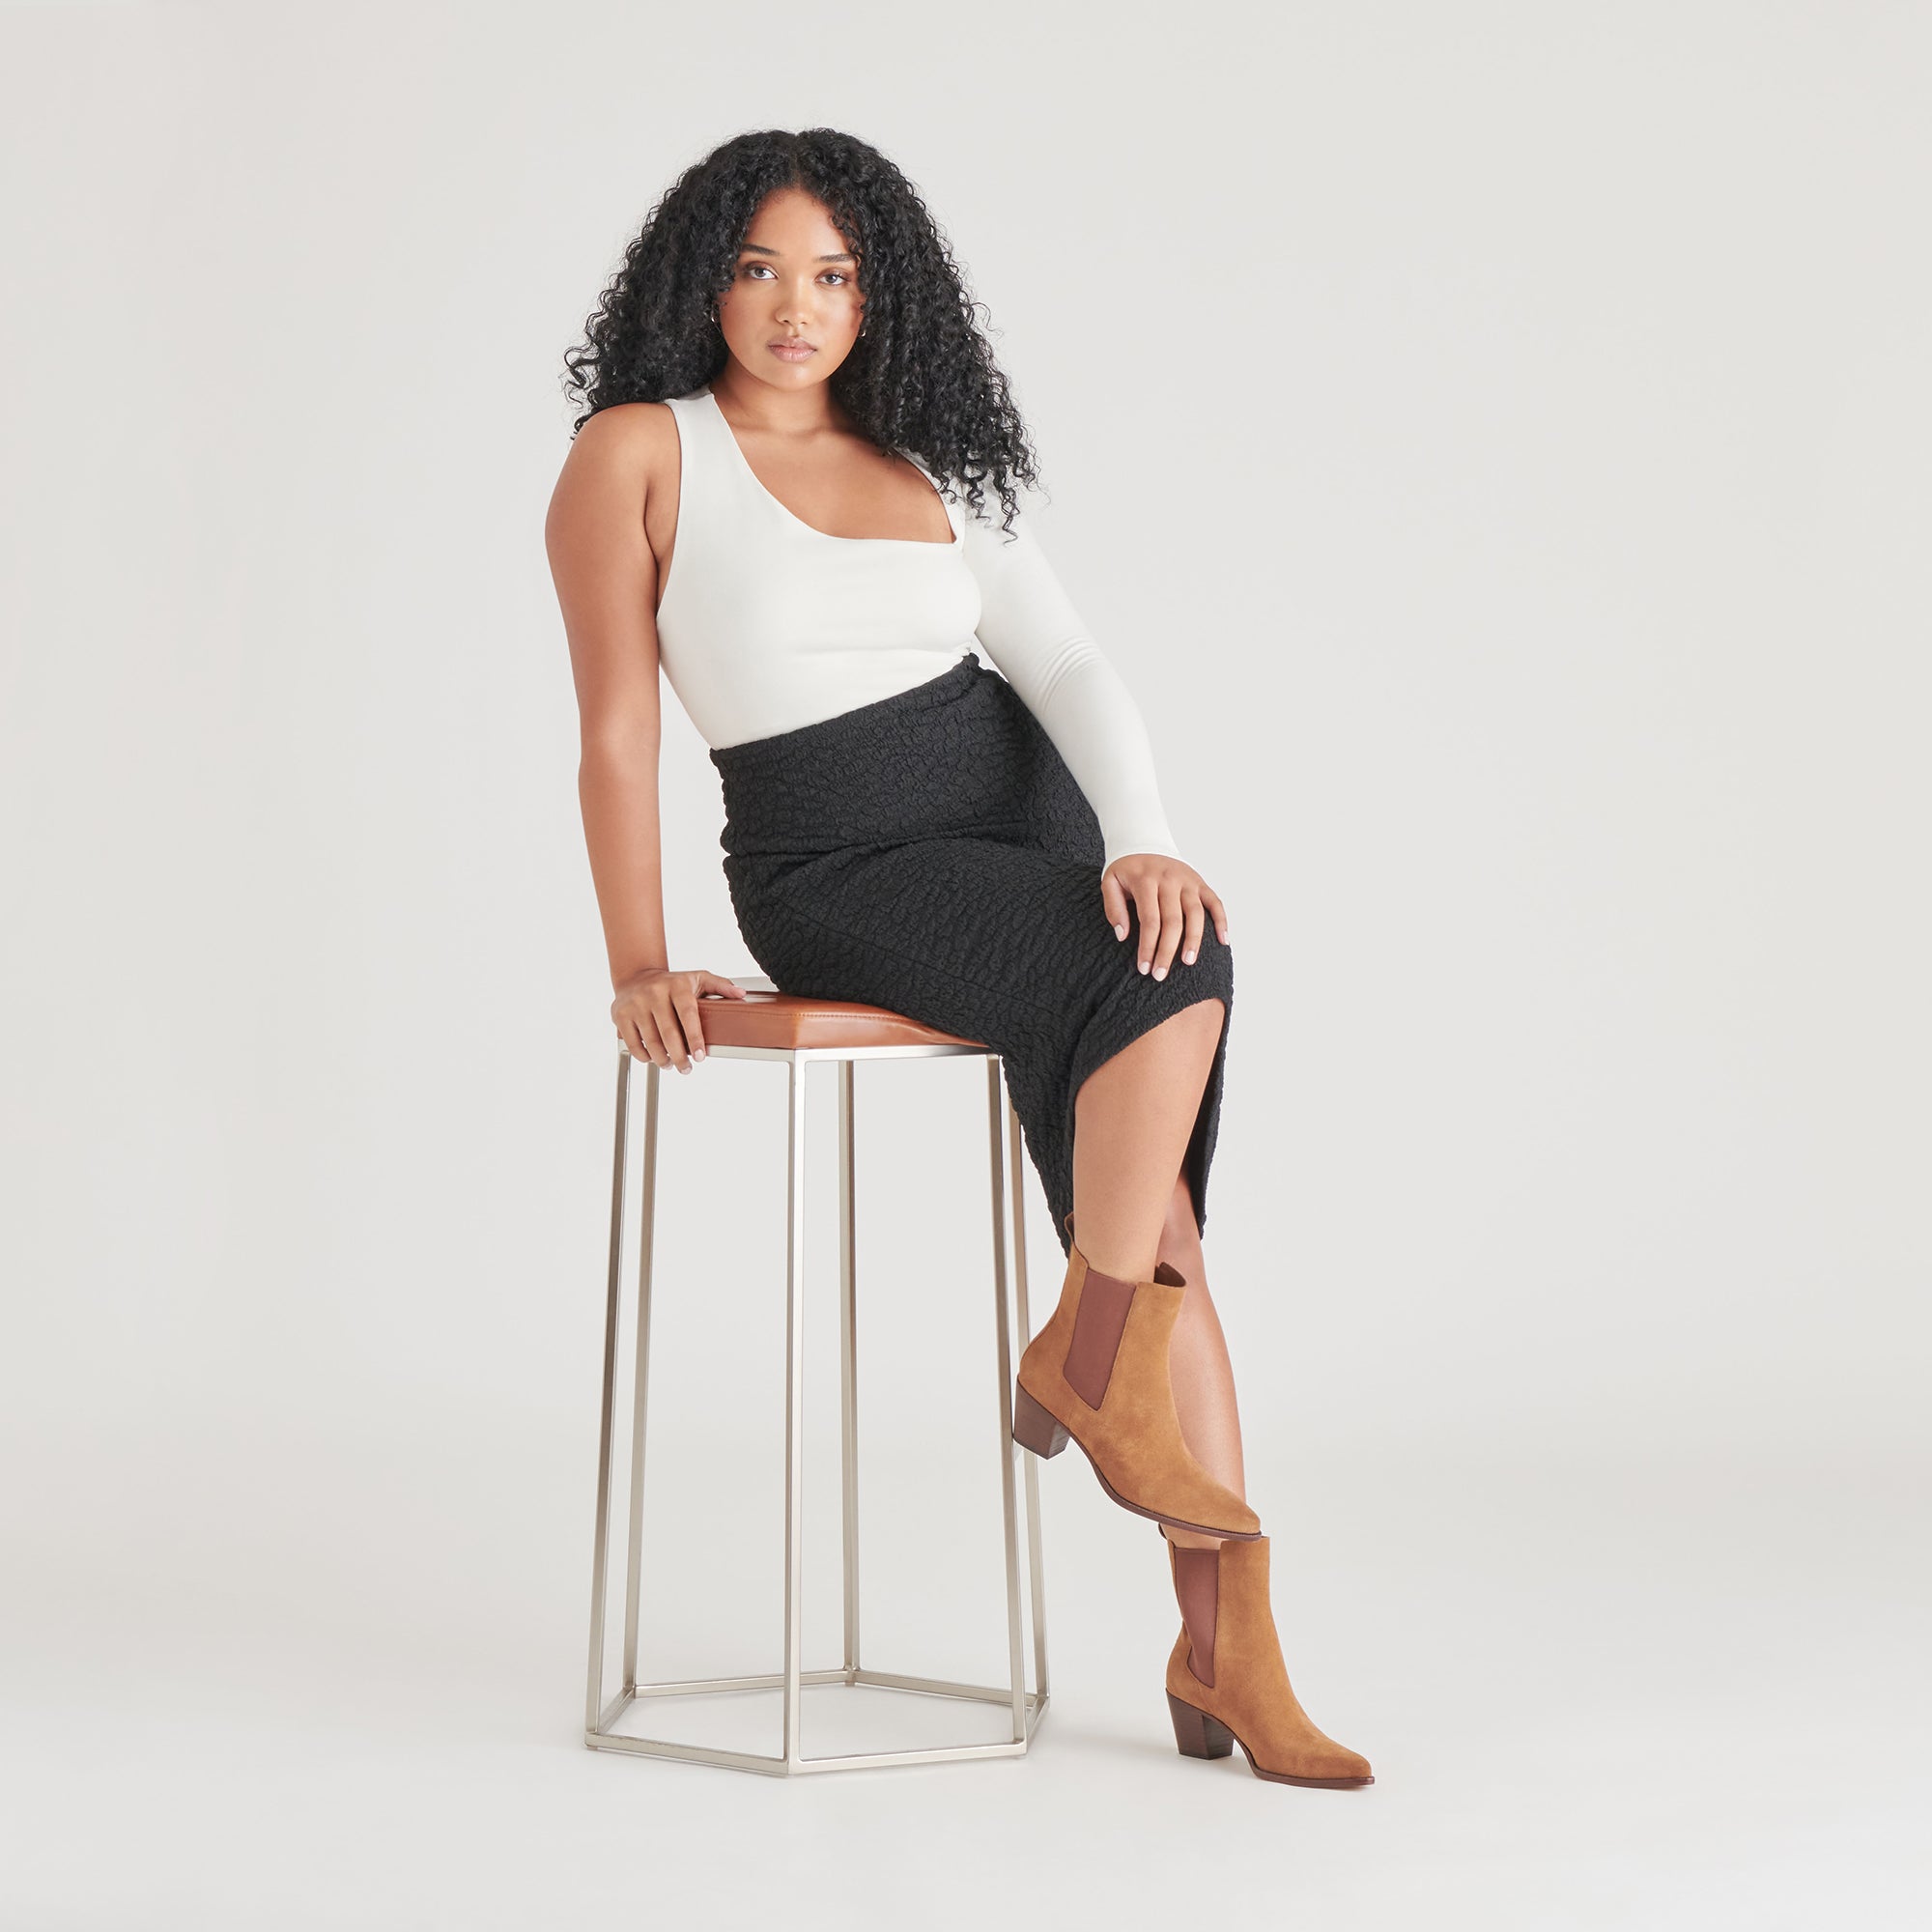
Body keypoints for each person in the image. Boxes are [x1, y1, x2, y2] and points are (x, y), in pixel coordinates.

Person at [545, 127, 1371, 1789]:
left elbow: (1064, 663)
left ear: (881, 298)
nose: (797, 307)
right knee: (1161, 1027)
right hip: (836, 863)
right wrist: (640, 956)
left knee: (1169, 1116)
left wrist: (1140, 836)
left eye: (834, 276)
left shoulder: (939, 463)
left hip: (1028, 827)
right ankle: (1091, 1364)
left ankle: (1222, 1634)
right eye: (761, 269)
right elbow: (618, 732)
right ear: (703, 281)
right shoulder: (640, 453)